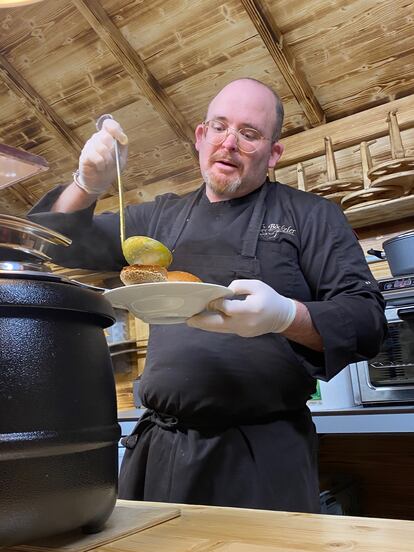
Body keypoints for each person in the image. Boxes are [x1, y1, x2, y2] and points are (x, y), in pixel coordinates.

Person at [28, 78, 387, 513]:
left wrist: (284, 317)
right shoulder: (160, 216)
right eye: (219, 127)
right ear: (201, 137)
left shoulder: (312, 217)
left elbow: (367, 322)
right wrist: (86, 184)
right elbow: (48, 243)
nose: (229, 143)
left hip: (262, 456)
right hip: (157, 451)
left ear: (273, 153)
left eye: (249, 134)